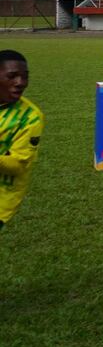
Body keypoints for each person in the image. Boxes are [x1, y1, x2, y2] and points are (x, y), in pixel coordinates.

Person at [0, 50, 43, 233]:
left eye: (24, 77)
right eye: (12, 76)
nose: (20, 83)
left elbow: (17, 165)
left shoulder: (30, 118)